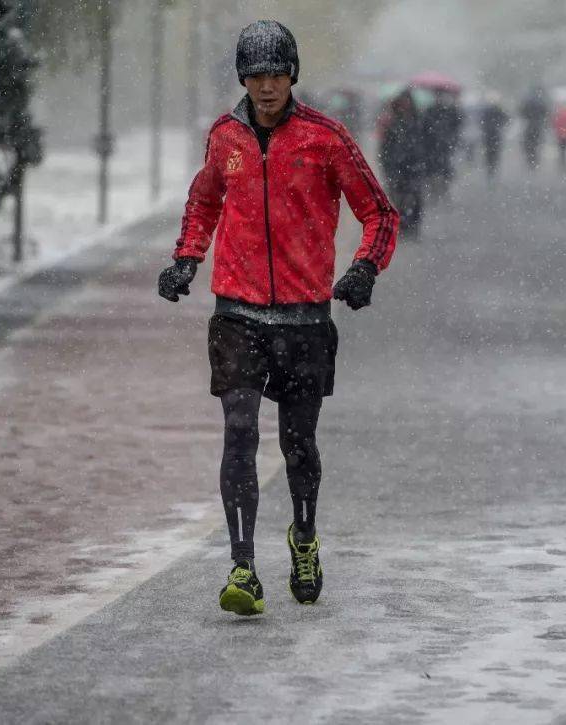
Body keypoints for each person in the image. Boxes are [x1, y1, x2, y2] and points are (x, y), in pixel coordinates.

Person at [157, 20, 399, 616]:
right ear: (243, 77)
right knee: (239, 432)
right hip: (237, 313)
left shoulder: (326, 139)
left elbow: (380, 213)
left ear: (293, 75)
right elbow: (204, 199)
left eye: (276, 73)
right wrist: (187, 258)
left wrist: (365, 268)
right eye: (256, 75)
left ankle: (304, 537)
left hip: (304, 319)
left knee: (299, 444)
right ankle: (242, 567)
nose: (266, 87)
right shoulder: (225, 137)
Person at [379, 90, 426, 235]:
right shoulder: (391, 122)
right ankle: (403, 222)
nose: (405, 106)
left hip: (414, 165)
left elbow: (425, 142)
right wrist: (387, 164)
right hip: (395, 165)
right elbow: (384, 146)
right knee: (397, 196)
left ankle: (413, 222)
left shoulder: (418, 120)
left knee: (415, 195)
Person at [421, 89, 463, 200]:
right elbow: (424, 128)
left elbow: (457, 125)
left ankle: (443, 189)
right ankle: (437, 189)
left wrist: (451, 138)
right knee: (435, 168)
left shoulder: (450, 110)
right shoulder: (431, 111)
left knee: (443, 167)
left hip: (443, 145)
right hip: (434, 145)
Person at [479, 92, 510, 181]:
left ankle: (490, 170)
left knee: (489, 153)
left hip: (488, 135)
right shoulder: (498, 109)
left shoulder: (486, 109)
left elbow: (481, 120)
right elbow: (506, 119)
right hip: (495, 135)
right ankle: (492, 169)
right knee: (495, 154)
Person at [519, 86, 549, 170]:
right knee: (536, 143)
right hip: (538, 125)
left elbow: (522, 112)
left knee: (528, 143)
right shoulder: (541, 101)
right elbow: (546, 113)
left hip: (529, 125)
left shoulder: (527, 101)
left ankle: (530, 158)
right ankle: (534, 159)